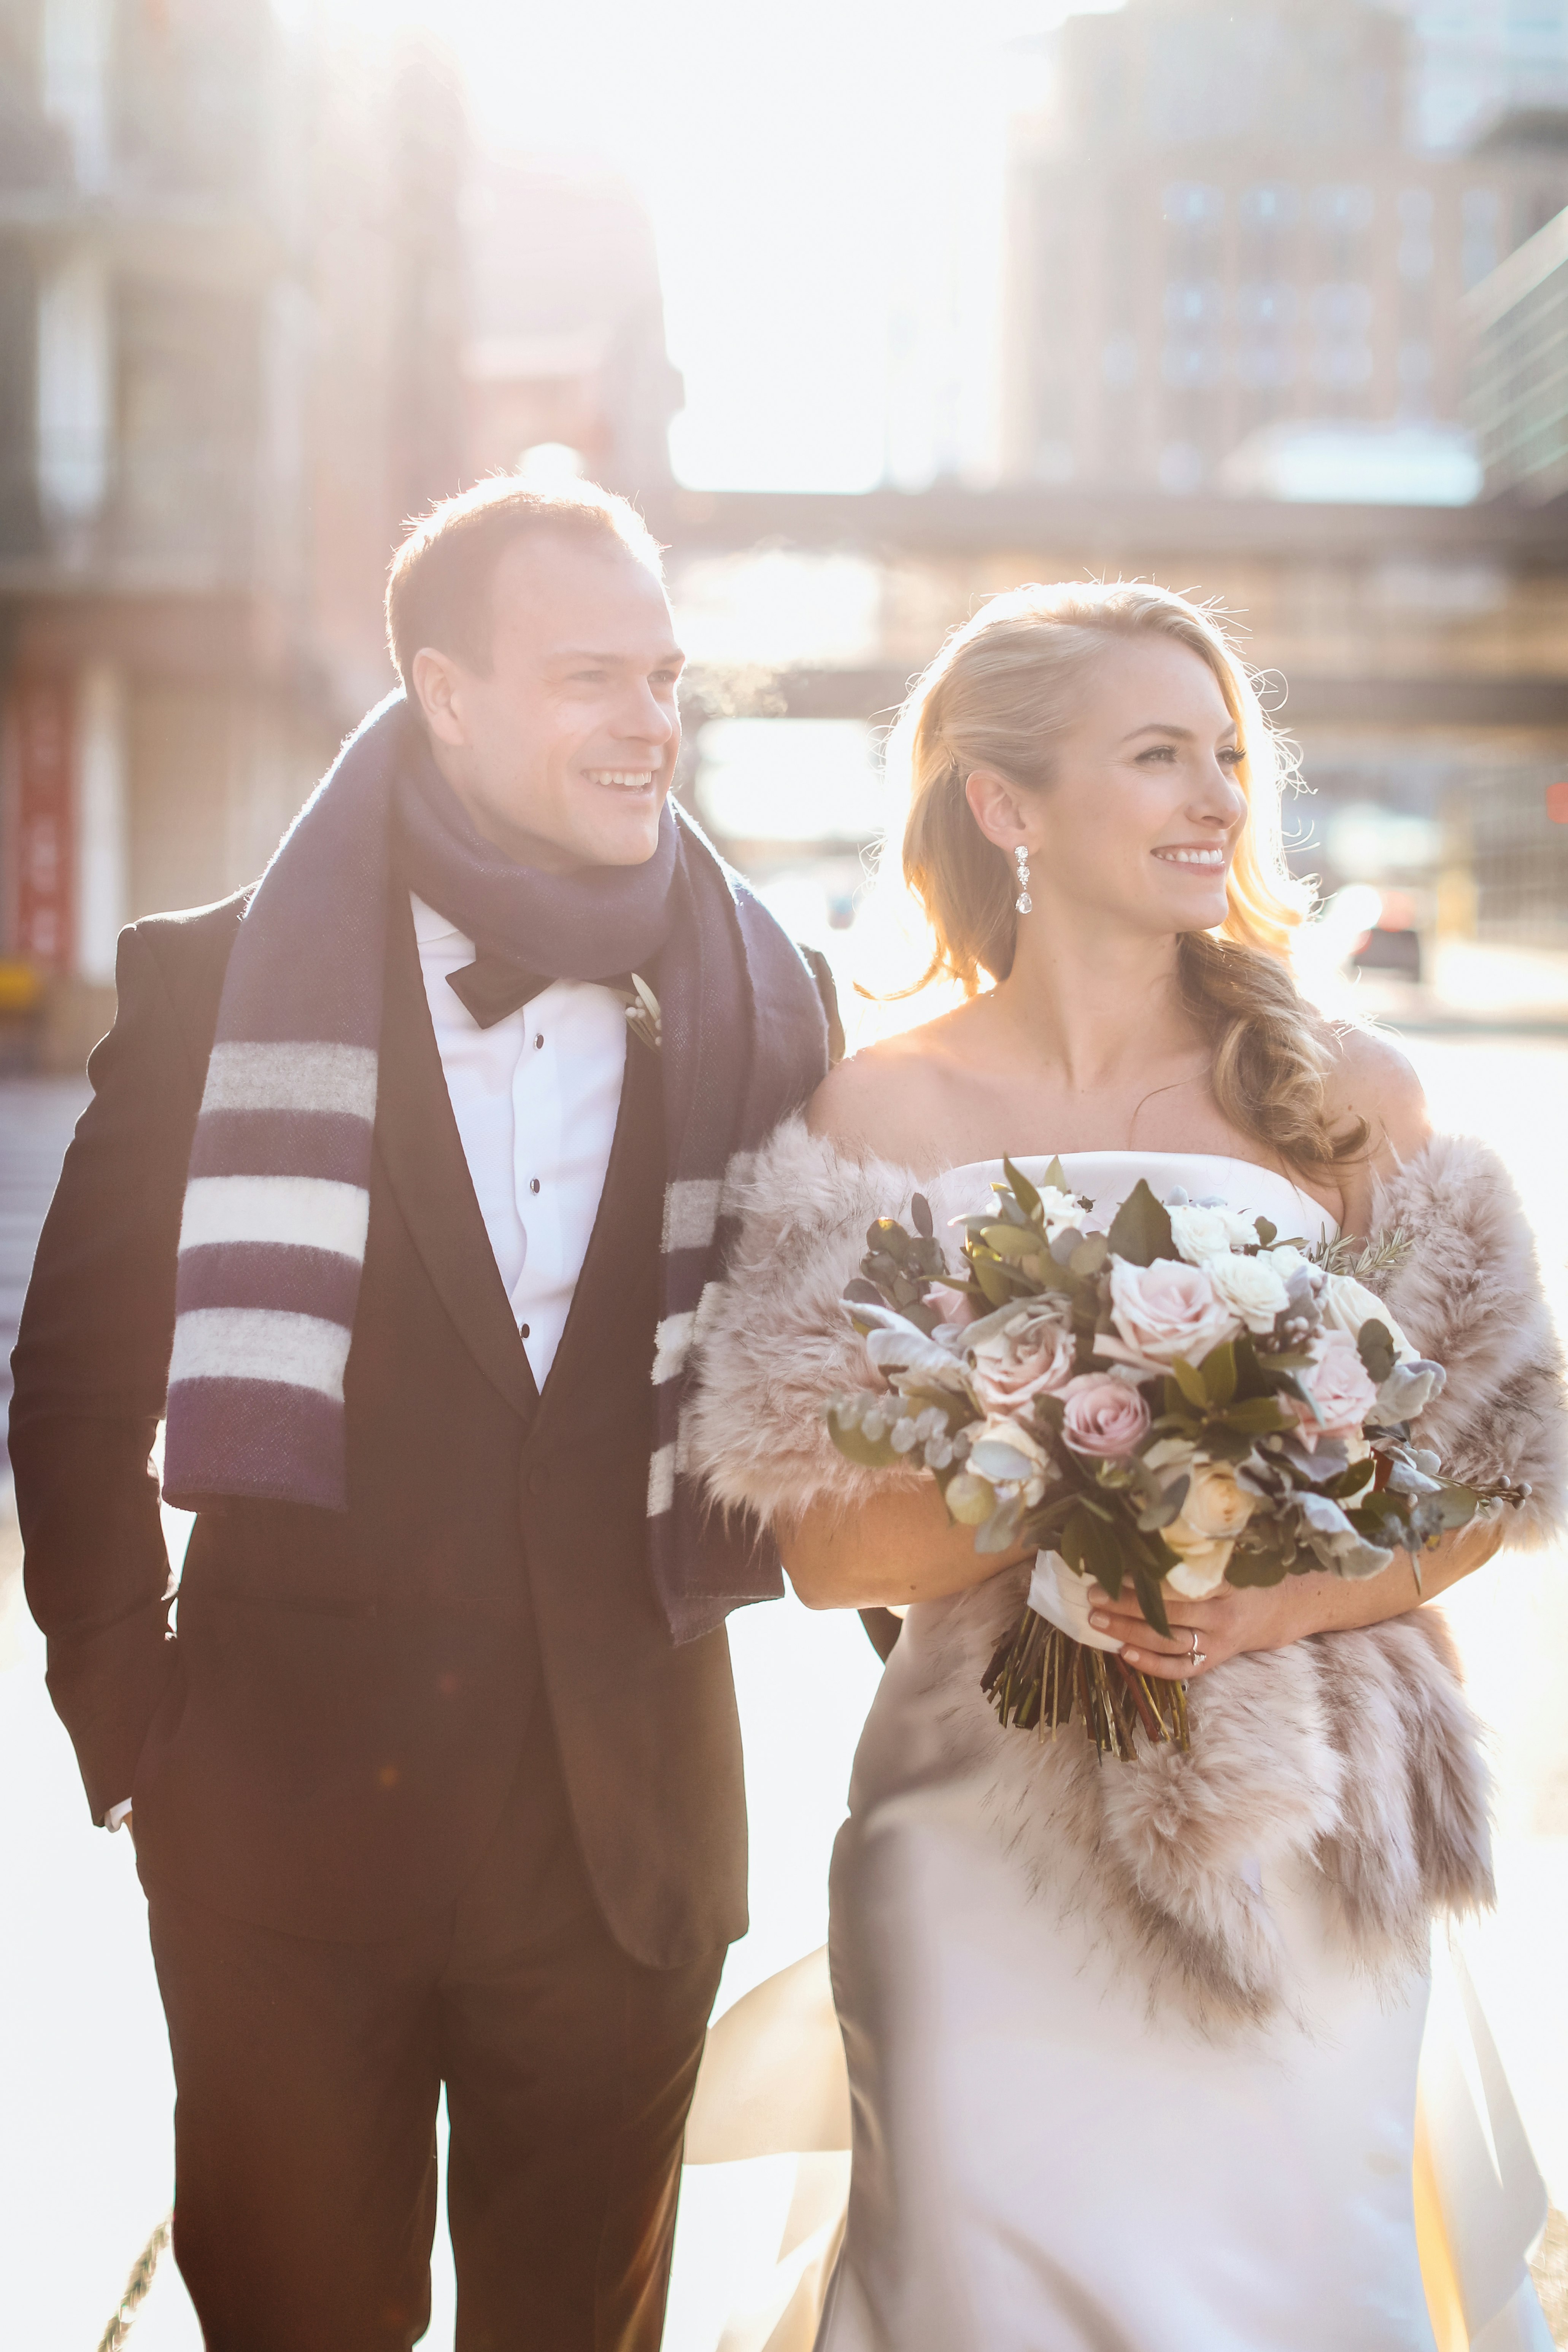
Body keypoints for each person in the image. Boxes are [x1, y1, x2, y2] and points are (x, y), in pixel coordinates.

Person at [687, 581, 1566, 2350]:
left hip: (1295, 1841)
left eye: (1228, 756)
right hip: (973, 1829)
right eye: (1156, 755)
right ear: (1002, 802)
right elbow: (826, 1555)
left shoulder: (1343, 1099)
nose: (1217, 799)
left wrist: (1266, 1604)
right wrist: (1078, 1458)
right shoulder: (872, 1118)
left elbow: (1491, 1469)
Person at [10, 476, 832, 2350]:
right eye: (588, 678)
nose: (647, 723)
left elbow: (832, 1390)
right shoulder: (217, 981)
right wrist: (129, 1717)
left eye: (664, 677)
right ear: (444, 693)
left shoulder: (767, 1002)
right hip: (278, 1835)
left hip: (623, 1849)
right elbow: (75, 1385)